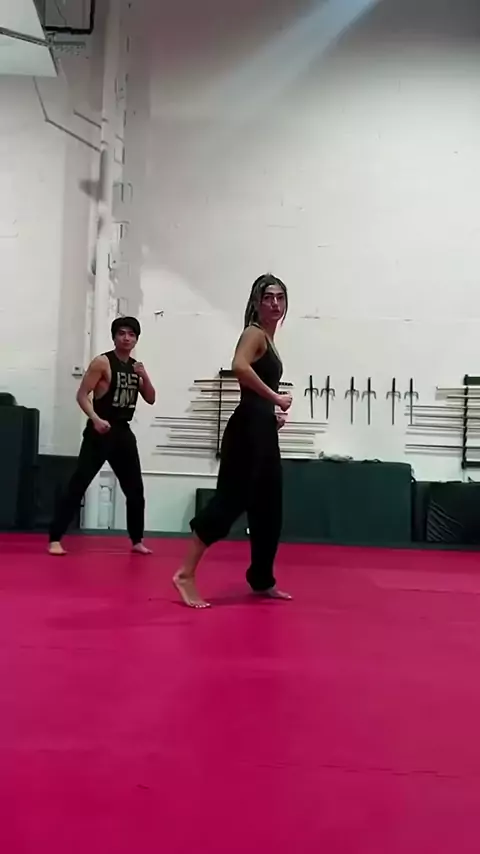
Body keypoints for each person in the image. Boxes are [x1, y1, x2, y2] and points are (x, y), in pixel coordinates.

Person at [174, 273, 293, 608]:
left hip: (261, 427)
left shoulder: (269, 340)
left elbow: (254, 388)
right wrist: (275, 398)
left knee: (269, 509)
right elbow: (239, 366)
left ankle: (262, 579)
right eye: (268, 297)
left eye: (280, 297)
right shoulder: (254, 333)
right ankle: (185, 574)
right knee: (230, 501)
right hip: (246, 431)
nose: (274, 303)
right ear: (256, 303)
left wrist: (270, 415)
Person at [48, 316, 156, 556]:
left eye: (131, 334)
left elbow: (150, 398)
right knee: (79, 484)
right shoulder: (102, 362)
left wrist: (145, 376)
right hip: (99, 430)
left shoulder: (135, 367)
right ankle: (55, 538)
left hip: (123, 432)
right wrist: (95, 419)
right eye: (122, 333)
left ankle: (137, 540)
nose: (126, 338)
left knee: (135, 490)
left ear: (136, 339)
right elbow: (82, 395)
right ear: (114, 337)